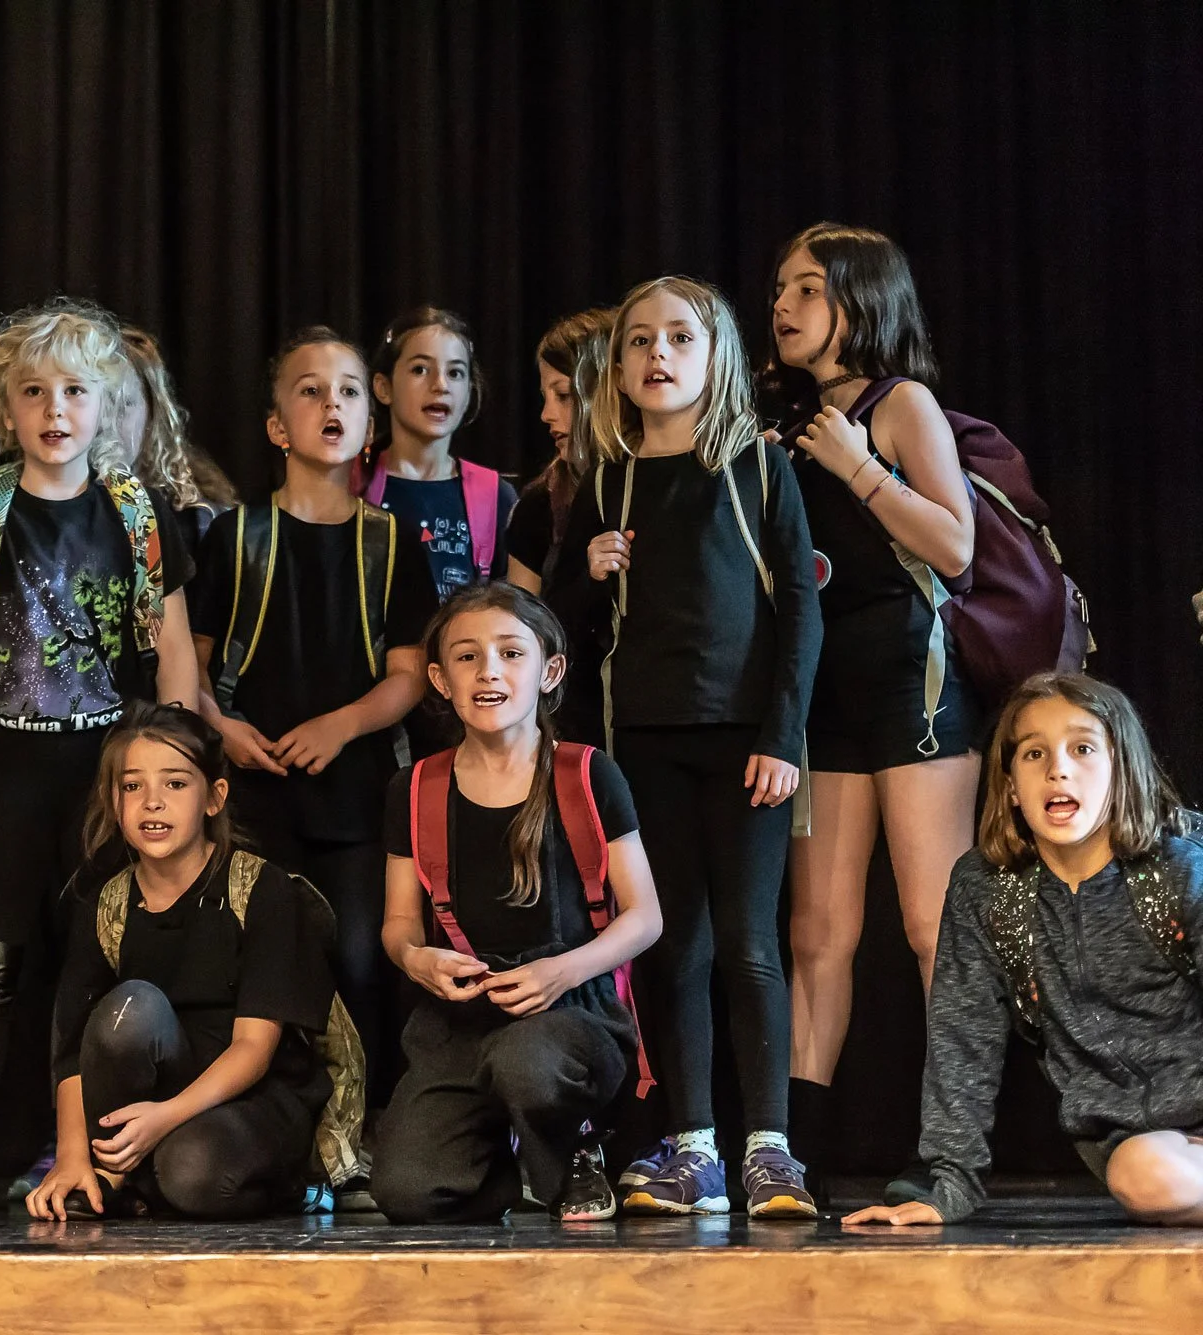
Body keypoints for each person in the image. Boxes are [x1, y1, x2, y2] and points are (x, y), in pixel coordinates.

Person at [0, 298, 198, 1215]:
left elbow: (175, 642)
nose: (54, 410)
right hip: (5, 771)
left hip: (104, 776)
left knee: (94, 962)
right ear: (6, 408)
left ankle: (85, 1153)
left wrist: (179, 758)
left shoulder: (136, 511)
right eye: (33, 392)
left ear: (107, 402)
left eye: (74, 390)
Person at [550, 275, 822, 1217]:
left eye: (679, 338)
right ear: (618, 366)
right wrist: (585, 575)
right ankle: (694, 1146)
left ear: (718, 359)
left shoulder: (756, 465)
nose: (657, 355)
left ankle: (772, 1150)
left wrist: (784, 734)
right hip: (644, 748)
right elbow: (556, 627)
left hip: (750, 747)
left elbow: (799, 609)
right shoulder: (606, 480)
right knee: (676, 948)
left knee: (750, 943)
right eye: (639, 341)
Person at [765, 224, 983, 1187]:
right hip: (823, 696)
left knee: (935, 925)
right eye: (779, 288)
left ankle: (953, 1149)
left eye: (807, 289)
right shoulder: (787, 419)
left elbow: (955, 546)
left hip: (912, 688)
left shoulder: (902, 406)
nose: (782, 306)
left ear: (861, 302)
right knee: (817, 933)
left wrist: (858, 464)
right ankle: (798, 1154)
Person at [190, 328, 435, 1154]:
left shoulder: (395, 541)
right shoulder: (233, 535)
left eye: (349, 393)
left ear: (372, 422)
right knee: (261, 970)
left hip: (358, 791)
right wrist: (224, 731)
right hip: (256, 789)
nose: (331, 405)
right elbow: (189, 669)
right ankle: (273, 1129)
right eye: (309, 390)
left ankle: (365, 1129)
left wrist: (343, 723)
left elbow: (408, 674)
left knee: (363, 958)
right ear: (275, 427)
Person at [845, 673, 1203, 1228]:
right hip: (1148, 1147)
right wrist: (949, 1185)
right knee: (1145, 1178)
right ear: (1011, 784)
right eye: (1034, 753)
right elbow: (963, 1037)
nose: (1058, 768)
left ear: (1121, 769)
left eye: (1083, 748)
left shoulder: (1180, 867)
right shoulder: (989, 889)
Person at [373, 584, 660, 1224]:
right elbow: (399, 924)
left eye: (510, 653)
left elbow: (646, 916)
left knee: (524, 1062)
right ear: (440, 680)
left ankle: (578, 1150)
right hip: (464, 1017)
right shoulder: (415, 787)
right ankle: (508, 1167)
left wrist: (564, 971)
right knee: (406, 1191)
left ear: (549, 671)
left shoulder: (586, 773)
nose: (489, 672)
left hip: (572, 1008)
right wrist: (418, 961)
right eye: (468, 657)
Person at [28, 704, 338, 1221]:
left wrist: (166, 1117)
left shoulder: (262, 889)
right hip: (154, 1103)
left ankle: (288, 1184)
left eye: (175, 784)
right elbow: (72, 1050)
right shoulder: (103, 901)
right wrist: (71, 1157)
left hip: (251, 1098)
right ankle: (117, 1175)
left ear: (214, 798)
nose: (152, 803)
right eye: (132, 787)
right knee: (131, 1008)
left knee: (193, 1174)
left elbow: (254, 1049)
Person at [364, 306, 517, 603]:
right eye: (420, 369)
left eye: (456, 372)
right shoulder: (352, 483)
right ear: (383, 387)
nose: (441, 385)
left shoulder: (495, 495)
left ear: (470, 391)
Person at [504, 308, 614, 597]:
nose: (545, 415)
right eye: (545, 397)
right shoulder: (537, 507)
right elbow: (524, 627)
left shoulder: (651, 487)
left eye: (564, 395)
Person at [115, 326, 239, 552]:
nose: (106, 422)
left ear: (153, 412)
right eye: (95, 403)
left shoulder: (201, 519)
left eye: (123, 405)